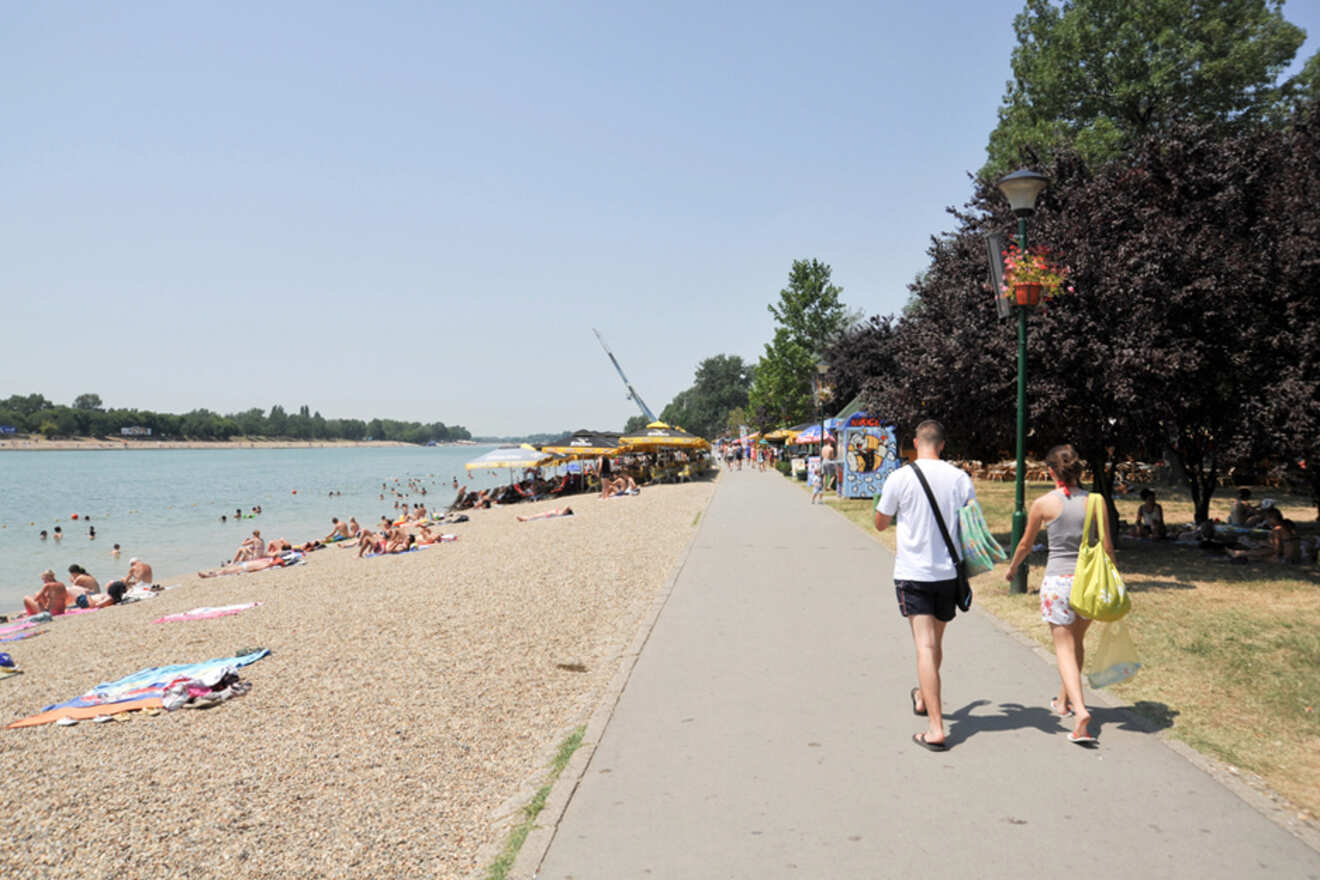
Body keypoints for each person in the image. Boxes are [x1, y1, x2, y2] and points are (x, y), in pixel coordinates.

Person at [873, 420, 975, 751]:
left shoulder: (900, 477)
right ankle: (922, 696)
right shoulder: (960, 478)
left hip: (914, 572)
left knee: (925, 647)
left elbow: (880, 522)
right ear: (942, 445)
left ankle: (936, 727)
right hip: (948, 574)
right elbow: (971, 524)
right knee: (935, 645)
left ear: (916, 443)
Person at [1004, 444, 1112, 745]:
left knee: (1063, 649)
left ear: (1051, 471)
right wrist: (1113, 582)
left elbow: (1025, 544)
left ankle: (1080, 712)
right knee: (1076, 643)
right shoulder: (1096, 501)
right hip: (1089, 583)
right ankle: (1063, 702)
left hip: (1058, 583)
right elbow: (1107, 547)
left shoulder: (1043, 504)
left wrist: (1013, 568)